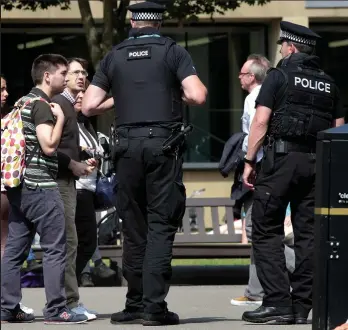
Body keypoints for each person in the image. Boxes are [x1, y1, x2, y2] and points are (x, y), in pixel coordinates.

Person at [82, 1, 207, 326]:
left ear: (134, 23)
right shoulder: (172, 51)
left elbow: (89, 105)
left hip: (125, 149)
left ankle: (133, 305)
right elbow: (198, 95)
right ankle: (154, 308)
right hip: (162, 147)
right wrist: (170, 91)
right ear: (158, 22)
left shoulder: (115, 54)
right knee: (160, 226)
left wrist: (122, 96)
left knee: (133, 229)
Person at [242, 21, 345, 324]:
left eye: (282, 47)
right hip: (318, 165)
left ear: (290, 47)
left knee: (264, 227)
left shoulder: (279, 76)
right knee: (309, 236)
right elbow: (337, 131)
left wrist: (249, 160)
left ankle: (277, 302)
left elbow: (261, 121)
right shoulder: (329, 84)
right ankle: (302, 306)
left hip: (282, 162)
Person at [1, 54, 87, 324]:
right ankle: (56, 310)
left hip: (19, 186)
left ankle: (8, 307)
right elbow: (49, 145)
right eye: (63, 73)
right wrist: (60, 119)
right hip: (41, 186)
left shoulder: (21, 102)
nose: (67, 77)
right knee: (55, 248)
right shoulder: (40, 105)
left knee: (14, 250)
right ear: (47, 76)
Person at [230, 54, 295, 307]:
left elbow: (257, 128)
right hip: (273, 166)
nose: (239, 77)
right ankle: (255, 290)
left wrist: (248, 162)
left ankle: (303, 266)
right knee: (258, 228)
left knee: (258, 229)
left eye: (243, 73)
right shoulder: (276, 93)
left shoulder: (253, 98)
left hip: (258, 168)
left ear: (253, 76)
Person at [51, 58, 96, 321]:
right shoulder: (60, 104)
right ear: (64, 76)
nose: (81, 76)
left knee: (71, 243)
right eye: (75, 72)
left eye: (84, 73)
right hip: (60, 181)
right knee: (68, 243)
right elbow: (50, 147)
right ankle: (67, 303)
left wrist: (79, 159)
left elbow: (64, 144)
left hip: (68, 180)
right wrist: (73, 165)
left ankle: (64, 301)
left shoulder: (70, 106)